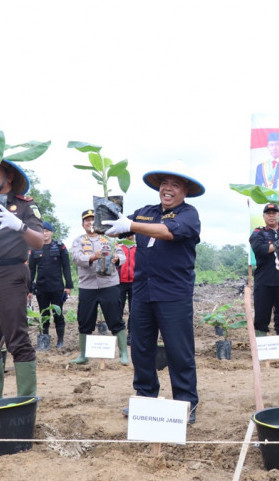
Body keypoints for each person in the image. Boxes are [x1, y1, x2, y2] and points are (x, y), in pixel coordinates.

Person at [104, 165, 204, 424]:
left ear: (185, 192)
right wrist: (107, 212)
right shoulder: (146, 213)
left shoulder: (188, 214)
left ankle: (185, 403)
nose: (167, 188)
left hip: (173, 293)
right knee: (141, 347)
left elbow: (168, 231)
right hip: (142, 292)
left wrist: (131, 224)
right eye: (164, 183)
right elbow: (117, 227)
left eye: (175, 185)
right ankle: (145, 395)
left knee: (179, 350)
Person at [0, 159, 44, 397]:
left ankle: (25, 402)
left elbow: (39, 242)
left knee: (16, 338)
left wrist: (19, 226)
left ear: (9, 177)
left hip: (11, 274)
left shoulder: (24, 206)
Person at [70, 209, 128, 366]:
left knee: (115, 318)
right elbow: (76, 257)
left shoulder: (109, 238)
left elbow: (122, 255)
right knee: (85, 320)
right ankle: (83, 355)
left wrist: (117, 259)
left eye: (92, 220)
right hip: (87, 286)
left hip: (109, 284)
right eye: (86, 220)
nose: (90, 223)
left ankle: (124, 354)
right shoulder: (78, 241)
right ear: (83, 225)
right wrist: (92, 256)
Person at [249, 203, 279, 362]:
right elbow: (260, 250)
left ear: (278, 215)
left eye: (274, 213)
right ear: (264, 216)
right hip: (264, 281)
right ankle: (261, 353)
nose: (271, 216)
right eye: (268, 213)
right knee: (262, 317)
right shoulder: (258, 233)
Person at [28, 221, 74, 349]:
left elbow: (66, 267)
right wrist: (29, 289)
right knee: (44, 315)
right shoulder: (35, 248)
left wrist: (68, 286)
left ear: (51, 232)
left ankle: (60, 341)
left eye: (47, 231)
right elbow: (31, 270)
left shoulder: (60, 247)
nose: (44, 233)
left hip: (57, 288)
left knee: (58, 314)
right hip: (41, 288)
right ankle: (45, 340)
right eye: (42, 231)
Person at [117, 232, 136, 345]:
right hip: (120, 282)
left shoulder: (137, 247)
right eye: (128, 234)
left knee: (133, 311)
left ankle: (131, 335)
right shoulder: (119, 247)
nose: (130, 235)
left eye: (132, 233)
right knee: (118, 310)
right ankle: (120, 335)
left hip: (135, 282)